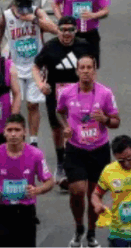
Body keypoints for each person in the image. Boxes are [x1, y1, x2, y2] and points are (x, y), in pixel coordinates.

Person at [57, 55, 120, 248]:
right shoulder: (66, 93)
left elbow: (116, 121)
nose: (85, 71)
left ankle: (91, 233)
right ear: (77, 71)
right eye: (82, 68)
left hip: (98, 149)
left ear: (94, 71)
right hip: (75, 149)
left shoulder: (105, 94)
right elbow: (59, 112)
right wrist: (65, 126)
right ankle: (79, 228)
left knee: (94, 194)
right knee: (77, 191)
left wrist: (105, 120)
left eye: (89, 68)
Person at [31, 17, 89, 186]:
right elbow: (36, 67)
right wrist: (41, 84)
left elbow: (90, 67)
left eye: (70, 30)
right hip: (55, 93)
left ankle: (75, 163)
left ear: (75, 31)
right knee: (57, 129)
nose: (66, 33)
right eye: (63, 29)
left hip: (78, 93)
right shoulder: (50, 47)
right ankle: (60, 163)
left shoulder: (83, 46)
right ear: (58, 30)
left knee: (77, 127)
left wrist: (91, 88)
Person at [0, 0, 56, 149]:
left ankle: (33, 140)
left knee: (33, 105)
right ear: (15, 6)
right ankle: (11, 137)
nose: (24, 12)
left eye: (27, 8)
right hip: (15, 67)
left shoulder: (37, 11)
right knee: (13, 106)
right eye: (21, 9)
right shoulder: (7, 16)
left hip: (35, 67)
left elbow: (54, 28)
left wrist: (35, 20)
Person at [0, 114, 54, 247]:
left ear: (24, 132)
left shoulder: (36, 154)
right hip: (2, 210)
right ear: (4, 132)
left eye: (17, 130)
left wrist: (37, 190)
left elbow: (49, 181)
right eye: (10, 130)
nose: (13, 134)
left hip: (25, 211)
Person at [52, 0, 110, 68]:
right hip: (71, 33)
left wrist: (93, 15)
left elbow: (105, 10)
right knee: (69, 66)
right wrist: (61, 20)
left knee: (91, 67)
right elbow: (55, 3)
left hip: (90, 33)